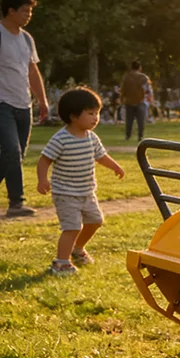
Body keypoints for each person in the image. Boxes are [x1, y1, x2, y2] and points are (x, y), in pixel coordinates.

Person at [36, 87, 125, 276]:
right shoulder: (61, 138)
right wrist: (42, 179)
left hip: (87, 192)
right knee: (72, 227)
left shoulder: (92, 138)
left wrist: (115, 166)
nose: (96, 118)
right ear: (73, 116)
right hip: (66, 193)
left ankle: (77, 249)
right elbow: (44, 160)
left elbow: (101, 156)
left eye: (97, 113)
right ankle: (61, 263)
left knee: (95, 221)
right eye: (90, 113)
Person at [0, 0, 49, 217]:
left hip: (23, 104)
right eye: (25, 10)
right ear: (11, 10)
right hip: (2, 103)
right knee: (11, 150)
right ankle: (16, 203)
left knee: (15, 155)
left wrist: (42, 100)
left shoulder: (27, 38)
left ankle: (15, 202)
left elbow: (32, 70)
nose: (28, 15)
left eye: (30, 11)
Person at [120, 60, 150, 141]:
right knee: (141, 121)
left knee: (129, 120)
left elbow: (123, 90)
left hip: (129, 101)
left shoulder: (126, 77)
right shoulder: (144, 77)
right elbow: (148, 90)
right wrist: (150, 100)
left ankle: (128, 135)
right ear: (139, 67)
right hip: (141, 101)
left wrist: (121, 99)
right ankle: (140, 136)